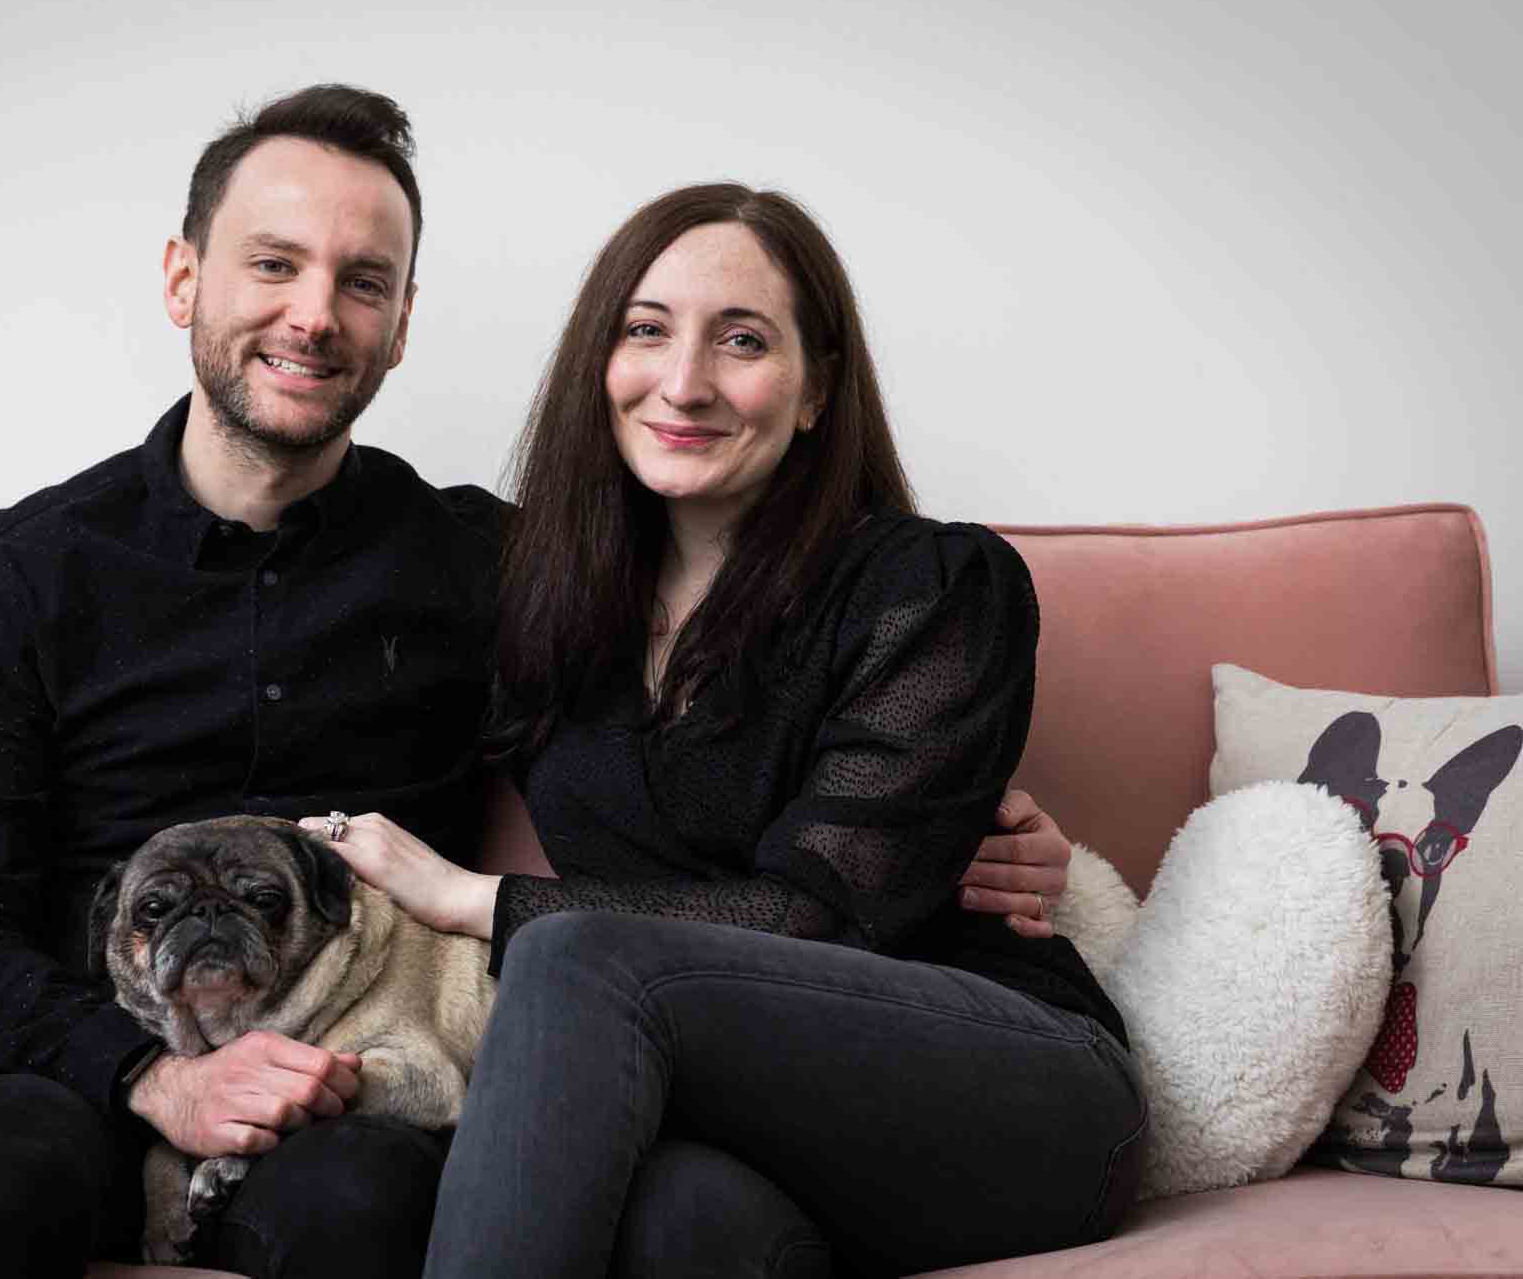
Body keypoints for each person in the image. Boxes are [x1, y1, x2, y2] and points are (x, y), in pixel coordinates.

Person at [0, 84, 1082, 1279]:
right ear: (183, 279)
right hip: (78, 1055)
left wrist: (956, 823)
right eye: (273, 265)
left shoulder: (496, 571)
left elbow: (782, 777)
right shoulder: (24, 572)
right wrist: (154, 1076)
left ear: (402, 323)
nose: (312, 315)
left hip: (359, 1064)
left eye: (361, 281)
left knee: (359, 1210)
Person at [311, 185, 1147, 1277]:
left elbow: (821, 920)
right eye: (645, 330)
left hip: (1010, 1091)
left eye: (740, 340)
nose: (684, 382)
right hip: (744, 1128)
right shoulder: (529, 590)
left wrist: (471, 898)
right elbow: (292, 541)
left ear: (813, 390)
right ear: (595, 364)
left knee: (573, 958)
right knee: (680, 1223)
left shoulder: (931, 585)